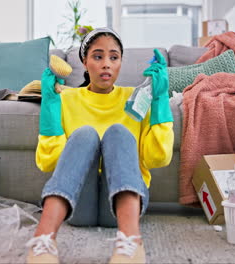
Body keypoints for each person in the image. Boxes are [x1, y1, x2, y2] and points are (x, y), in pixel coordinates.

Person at [26, 27, 174, 264]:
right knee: (85, 134)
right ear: (84, 62)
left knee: (118, 132)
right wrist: (50, 108)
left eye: (113, 57)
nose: (106, 64)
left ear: (121, 62)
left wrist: (160, 100)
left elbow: (158, 158)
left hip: (122, 208)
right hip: (78, 205)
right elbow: (48, 163)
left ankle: (131, 242)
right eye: (98, 56)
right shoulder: (67, 98)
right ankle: (43, 240)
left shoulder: (137, 98)